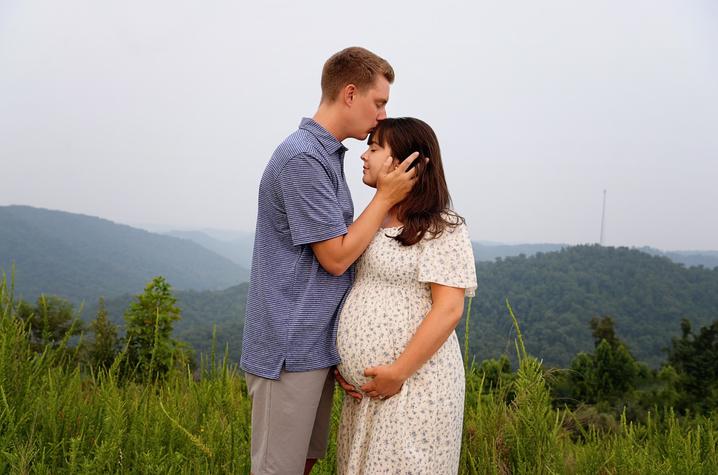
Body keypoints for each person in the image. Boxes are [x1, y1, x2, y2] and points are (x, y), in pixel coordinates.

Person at [240, 47, 420, 475]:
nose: (382, 116)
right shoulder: (303, 158)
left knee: (303, 461)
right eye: (379, 103)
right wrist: (386, 197)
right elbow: (336, 258)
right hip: (287, 350)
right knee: (277, 468)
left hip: (311, 348)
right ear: (350, 93)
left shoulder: (325, 156)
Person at [335, 117, 478, 474]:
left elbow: (449, 310)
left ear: (408, 162)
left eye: (374, 147)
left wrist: (397, 372)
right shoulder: (371, 221)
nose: (363, 155)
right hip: (368, 394)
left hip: (414, 388)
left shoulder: (441, 227)